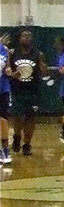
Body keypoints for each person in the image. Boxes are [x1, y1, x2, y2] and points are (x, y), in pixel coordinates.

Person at [7, 29, 45, 157]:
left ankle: (27, 144)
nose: (27, 38)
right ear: (19, 38)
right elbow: (7, 71)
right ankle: (17, 135)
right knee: (18, 117)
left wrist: (43, 69)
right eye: (24, 36)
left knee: (31, 118)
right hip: (17, 90)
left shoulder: (38, 54)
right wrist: (13, 74)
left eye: (29, 36)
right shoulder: (12, 53)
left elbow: (43, 71)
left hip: (33, 90)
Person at [0, 33, 10, 166]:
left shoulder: (4, 49)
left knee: (3, 119)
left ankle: (5, 149)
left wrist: (9, 70)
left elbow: (8, 67)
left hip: (3, 88)